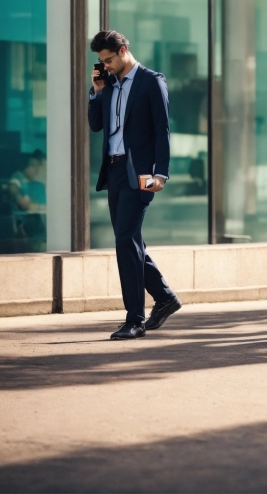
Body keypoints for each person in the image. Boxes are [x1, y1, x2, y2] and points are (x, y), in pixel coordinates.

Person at [88, 30, 181, 340]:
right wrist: (97, 90)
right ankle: (165, 298)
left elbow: (162, 131)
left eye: (109, 59)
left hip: (139, 173)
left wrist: (161, 174)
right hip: (113, 171)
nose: (106, 65)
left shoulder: (151, 81)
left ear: (124, 50)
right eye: (102, 61)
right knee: (129, 241)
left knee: (125, 239)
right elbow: (96, 125)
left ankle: (134, 319)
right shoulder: (109, 85)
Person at [8, 150, 47, 245]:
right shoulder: (17, 178)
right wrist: (19, 198)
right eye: (34, 166)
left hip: (34, 224)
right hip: (23, 226)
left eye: (38, 166)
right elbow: (14, 190)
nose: (36, 170)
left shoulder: (34, 185)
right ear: (25, 167)